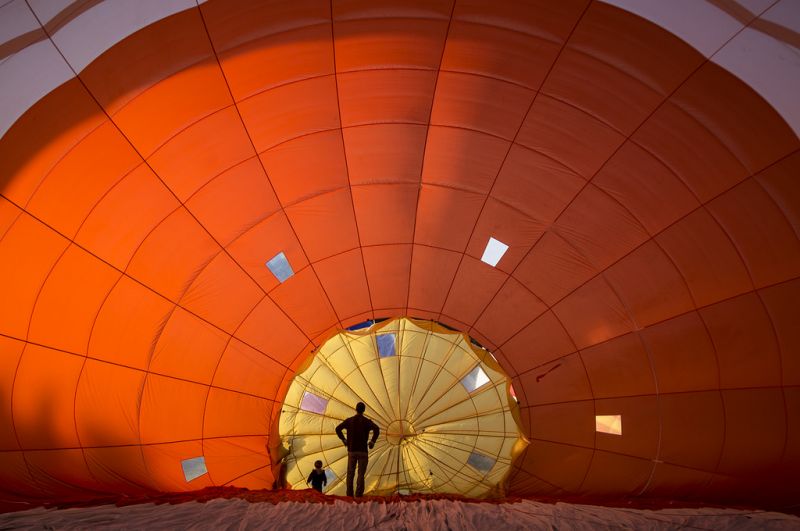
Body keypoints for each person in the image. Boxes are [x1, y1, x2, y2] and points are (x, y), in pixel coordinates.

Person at [335, 402, 380, 497]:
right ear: (364, 410)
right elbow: (377, 429)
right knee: (361, 474)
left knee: (350, 473)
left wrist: (344, 439)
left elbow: (337, 428)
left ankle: (349, 495)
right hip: (363, 451)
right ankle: (359, 495)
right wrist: (372, 441)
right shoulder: (367, 421)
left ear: (356, 409)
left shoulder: (349, 421)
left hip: (352, 451)